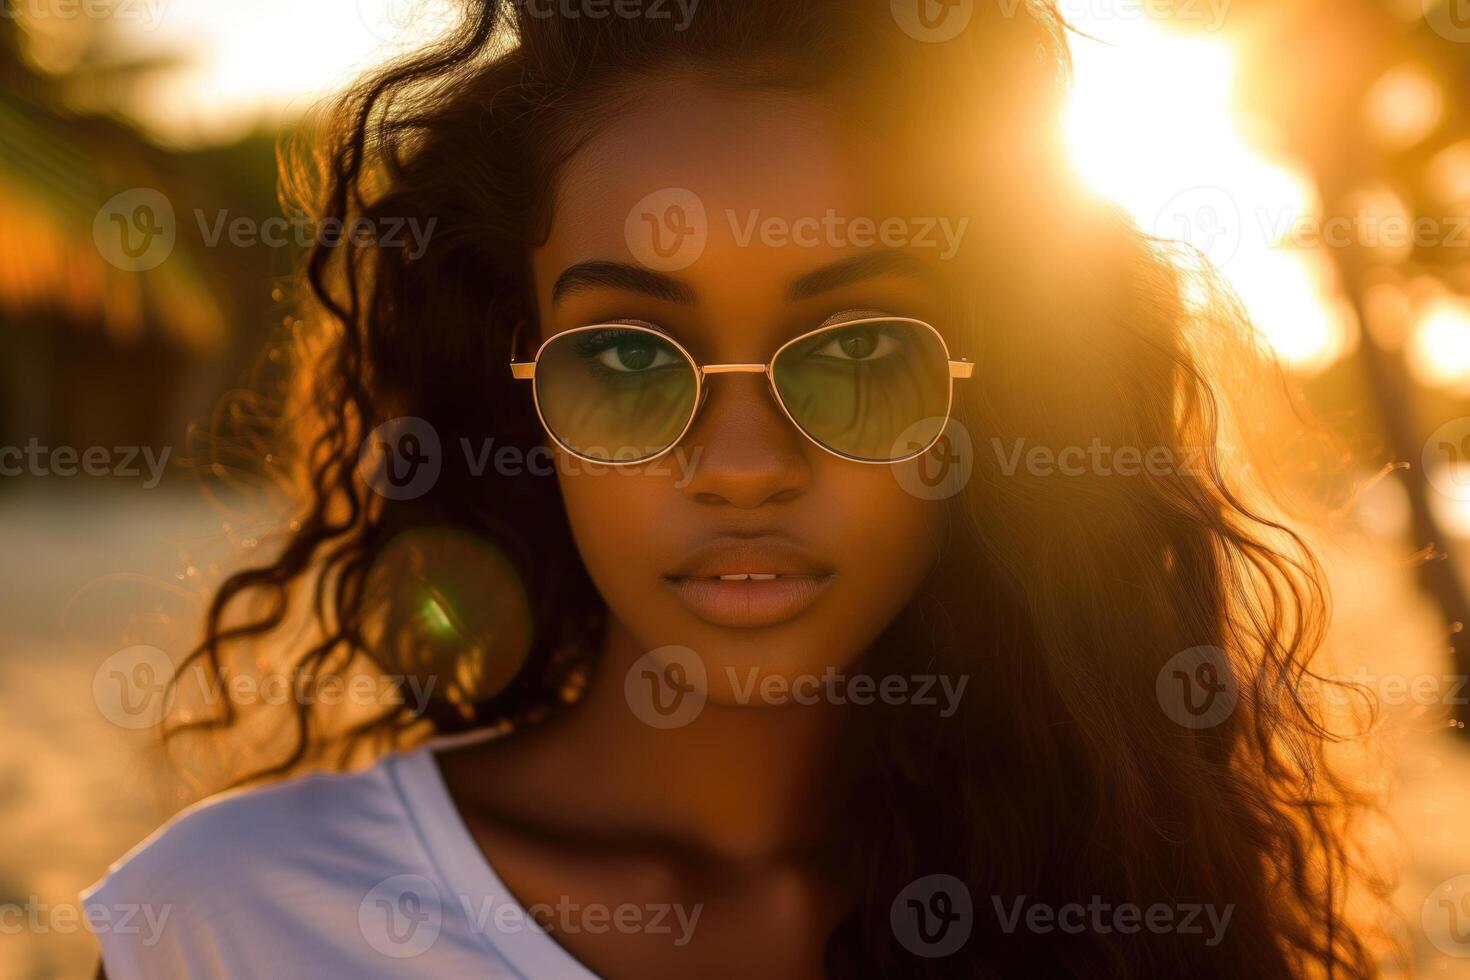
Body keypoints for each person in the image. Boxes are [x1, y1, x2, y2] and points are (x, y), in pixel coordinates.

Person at [84, 1, 1388, 976]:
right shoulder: (225, 924)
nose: (746, 463)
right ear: (515, 395)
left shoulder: (1127, 900)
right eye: (625, 360)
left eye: (861, 353)